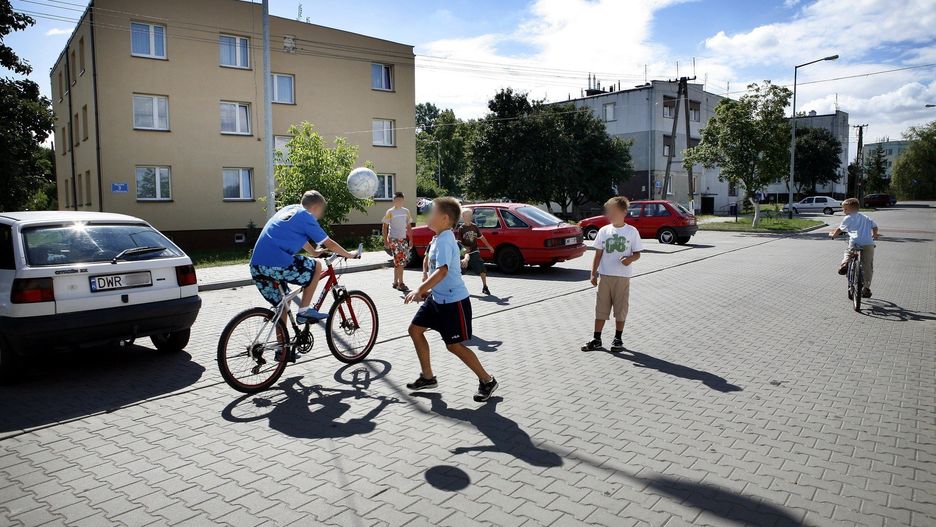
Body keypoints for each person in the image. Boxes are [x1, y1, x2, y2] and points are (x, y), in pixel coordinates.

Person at [404, 197, 499, 402]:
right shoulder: (438, 237)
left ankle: (487, 380)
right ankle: (428, 377)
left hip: (454, 303)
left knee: (453, 346)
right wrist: (428, 289)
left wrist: (420, 289)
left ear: (445, 218)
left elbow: (443, 271)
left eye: (432, 213)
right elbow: (433, 267)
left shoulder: (446, 239)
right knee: (415, 330)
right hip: (437, 299)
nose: (428, 215)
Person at [249, 190, 359, 324]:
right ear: (315, 208)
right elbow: (329, 243)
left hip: (257, 266)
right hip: (276, 263)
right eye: (321, 211)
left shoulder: (290, 210)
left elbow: (298, 235)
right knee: (317, 266)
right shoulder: (306, 216)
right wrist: (349, 254)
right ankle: (304, 312)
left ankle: (282, 345)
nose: (321, 215)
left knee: (283, 305)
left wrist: (314, 252)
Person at [582, 196, 643, 353]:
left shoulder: (631, 231)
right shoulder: (604, 231)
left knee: (620, 308)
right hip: (605, 276)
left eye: (614, 211)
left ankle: (618, 338)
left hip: (622, 277)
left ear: (624, 212)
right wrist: (593, 273)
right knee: (601, 308)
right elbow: (598, 254)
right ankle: (596, 338)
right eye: (609, 212)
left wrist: (630, 259)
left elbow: (637, 254)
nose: (611, 214)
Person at [830, 197, 879, 298]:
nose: (844, 211)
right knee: (868, 265)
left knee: (848, 252)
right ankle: (866, 288)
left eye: (845, 209)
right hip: (868, 243)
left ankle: (844, 264)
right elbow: (875, 226)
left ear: (852, 209)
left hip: (855, 242)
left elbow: (839, 229)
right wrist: (874, 234)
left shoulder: (848, 218)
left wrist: (833, 235)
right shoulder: (866, 217)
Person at [457, 208, 495, 296]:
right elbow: (459, 242)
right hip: (464, 253)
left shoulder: (474, 226)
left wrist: (489, 247)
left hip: (474, 251)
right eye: (466, 216)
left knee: (482, 268)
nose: (468, 217)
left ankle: (485, 286)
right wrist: (465, 247)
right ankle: (457, 287)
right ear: (463, 217)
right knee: (460, 271)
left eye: (470, 216)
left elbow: (481, 237)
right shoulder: (461, 228)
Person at [382, 191, 414, 292]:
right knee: (400, 261)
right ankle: (401, 283)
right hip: (394, 239)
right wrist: (385, 241)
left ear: (403, 201)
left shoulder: (406, 211)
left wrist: (411, 240)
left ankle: (395, 282)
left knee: (398, 261)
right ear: (393, 201)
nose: (398, 202)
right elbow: (385, 226)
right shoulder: (390, 212)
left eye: (400, 200)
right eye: (397, 200)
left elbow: (409, 227)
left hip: (403, 239)